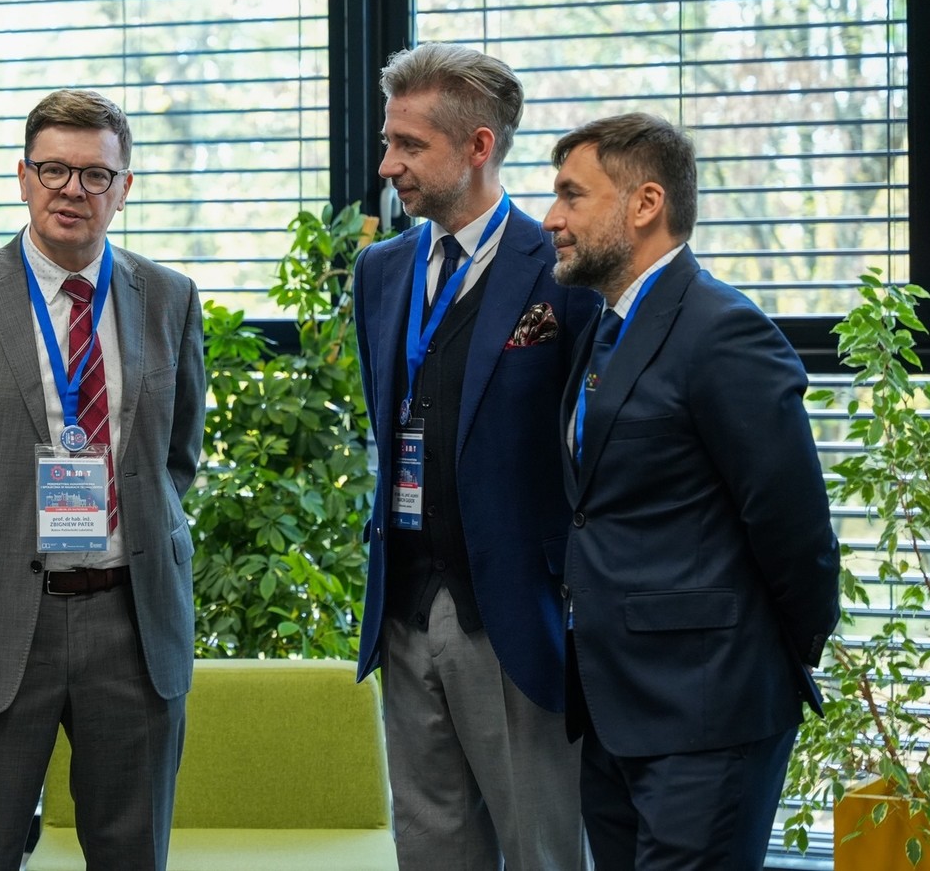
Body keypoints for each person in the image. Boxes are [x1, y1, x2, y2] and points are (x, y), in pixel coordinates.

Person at [0, 88, 206, 871]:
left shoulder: (170, 299)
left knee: (132, 853)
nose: (72, 190)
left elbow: (175, 457)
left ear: (124, 188)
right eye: (54, 169)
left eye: (95, 175)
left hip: (132, 620)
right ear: (22, 177)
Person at [542, 112, 841, 870]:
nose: (551, 219)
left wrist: (776, 652)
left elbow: (793, 525)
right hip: (613, 710)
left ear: (646, 203)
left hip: (710, 712)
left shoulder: (723, 331)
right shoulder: (603, 331)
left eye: (572, 196)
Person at [352, 43, 600, 871]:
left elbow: (592, 451)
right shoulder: (379, 272)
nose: (388, 165)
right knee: (430, 849)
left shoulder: (563, 271)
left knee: (542, 851)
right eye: (388, 141)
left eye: (409, 145)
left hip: (516, 618)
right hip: (403, 610)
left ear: (479, 146)